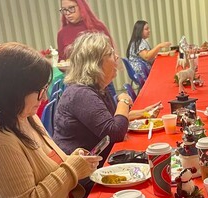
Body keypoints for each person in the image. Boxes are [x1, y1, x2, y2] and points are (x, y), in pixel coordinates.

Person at [0, 43, 100, 198]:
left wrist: (74, 160)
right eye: (40, 90)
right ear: (15, 90)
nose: (44, 98)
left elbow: (51, 167)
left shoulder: (27, 117)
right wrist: (73, 168)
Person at [53, 32, 162, 163]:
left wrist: (143, 113)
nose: (116, 57)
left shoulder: (97, 87)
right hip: (83, 170)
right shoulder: (81, 94)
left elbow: (110, 119)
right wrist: (124, 101)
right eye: (110, 54)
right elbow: (115, 133)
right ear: (95, 63)